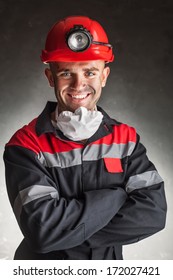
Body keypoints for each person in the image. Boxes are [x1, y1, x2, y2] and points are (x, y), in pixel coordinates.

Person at [3, 15, 167, 260]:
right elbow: (42, 231)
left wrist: (65, 232)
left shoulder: (126, 140)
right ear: (50, 78)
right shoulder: (25, 144)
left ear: (104, 76)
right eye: (67, 73)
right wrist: (117, 195)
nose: (79, 84)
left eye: (90, 72)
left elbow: (153, 213)